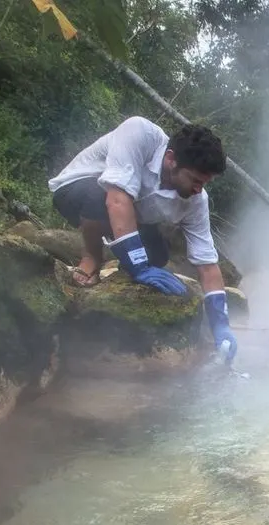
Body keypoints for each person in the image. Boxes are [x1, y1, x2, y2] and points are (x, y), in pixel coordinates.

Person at [47, 116, 237, 363]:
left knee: (157, 257)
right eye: (195, 180)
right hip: (76, 190)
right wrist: (138, 265)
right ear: (171, 160)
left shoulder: (196, 201)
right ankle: (92, 256)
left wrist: (221, 326)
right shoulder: (139, 134)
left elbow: (208, 264)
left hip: (127, 212)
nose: (199, 189)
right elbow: (115, 199)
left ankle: (120, 266)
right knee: (100, 199)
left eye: (205, 183)